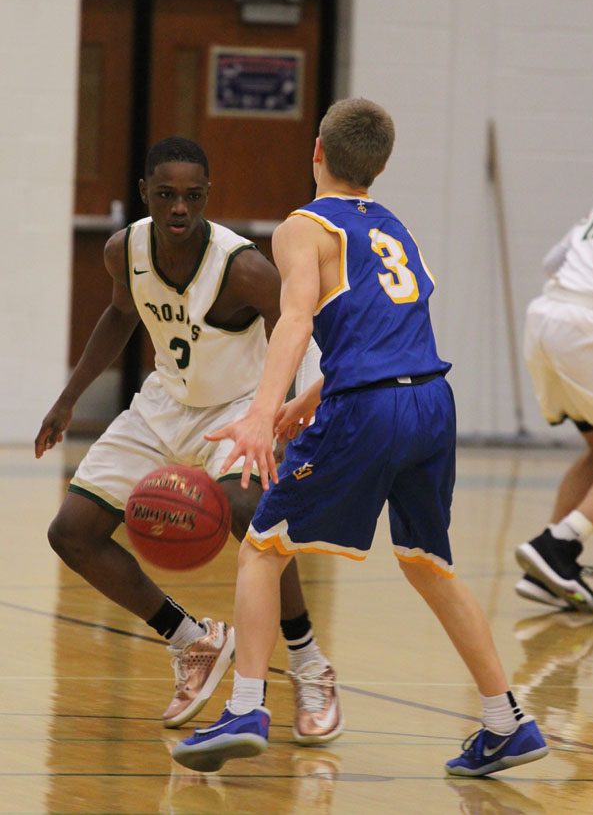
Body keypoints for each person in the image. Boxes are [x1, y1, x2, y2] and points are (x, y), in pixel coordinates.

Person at [171, 99, 548, 776]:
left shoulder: (303, 227)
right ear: (379, 165)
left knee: (261, 550)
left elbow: (294, 323)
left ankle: (247, 707)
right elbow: (390, 330)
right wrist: (309, 399)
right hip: (432, 402)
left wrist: (262, 412)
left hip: (370, 411)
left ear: (316, 149)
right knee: (429, 565)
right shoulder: (397, 229)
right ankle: (505, 720)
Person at [35, 136, 340, 739]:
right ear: (146, 193)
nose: (180, 207)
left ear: (207, 197)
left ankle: (308, 661)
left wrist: (286, 416)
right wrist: (68, 399)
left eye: (193, 196)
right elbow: (122, 314)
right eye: (167, 195)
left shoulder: (242, 267)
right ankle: (192, 640)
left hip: (236, 408)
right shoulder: (125, 249)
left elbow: (299, 329)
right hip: (163, 404)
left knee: (251, 512)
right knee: (70, 533)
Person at [515, 198, 593, 612]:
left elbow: (554, 260)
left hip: (548, 314)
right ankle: (558, 544)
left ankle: (547, 573)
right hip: (587, 325)